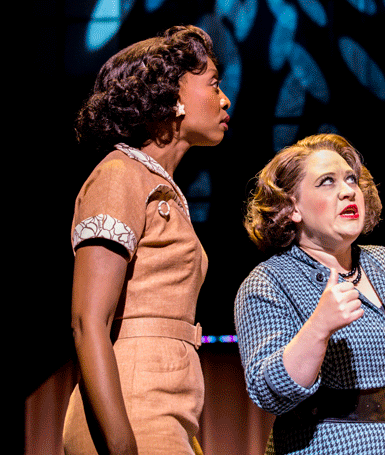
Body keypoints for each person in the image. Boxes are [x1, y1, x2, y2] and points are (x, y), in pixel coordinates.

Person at [62, 25, 230, 455]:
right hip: (132, 410)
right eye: (213, 84)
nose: (225, 99)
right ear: (172, 95)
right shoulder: (119, 174)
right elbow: (87, 322)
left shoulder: (157, 185)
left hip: (167, 409)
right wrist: (121, 444)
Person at [234, 133, 385, 454]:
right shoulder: (268, 282)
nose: (348, 191)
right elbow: (269, 391)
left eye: (351, 179)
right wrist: (319, 327)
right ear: (292, 207)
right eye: (327, 181)